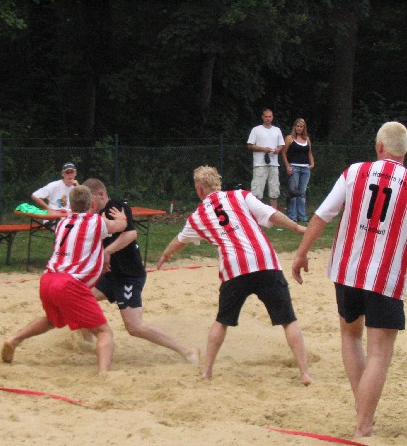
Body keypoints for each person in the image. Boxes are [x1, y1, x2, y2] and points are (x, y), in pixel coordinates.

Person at [292, 121, 407, 439]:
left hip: (347, 271)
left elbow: (322, 215)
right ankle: (364, 423)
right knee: (380, 353)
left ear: (379, 146)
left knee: (351, 336)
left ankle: (363, 412)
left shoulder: (355, 172)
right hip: (385, 276)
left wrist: (301, 253)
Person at [157, 165, 312, 385]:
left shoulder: (198, 216)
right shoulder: (240, 196)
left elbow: (179, 240)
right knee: (288, 320)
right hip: (264, 261)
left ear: (199, 190)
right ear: (218, 183)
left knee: (222, 321)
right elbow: (271, 214)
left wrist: (165, 254)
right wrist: (296, 228)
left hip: (234, 268)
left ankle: (207, 371)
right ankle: (304, 373)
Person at [0, 185, 127, 373]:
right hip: (70, 284)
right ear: (92, 203)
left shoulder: (62, 222)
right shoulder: (96, 222)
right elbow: (119, 226)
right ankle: (104, 373)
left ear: (70, 204)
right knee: (104, 332)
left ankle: (14, 340)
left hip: (48, 279)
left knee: (52, 321)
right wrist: (122, 218)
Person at [82, 178, 200, 364]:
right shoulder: (94, 214)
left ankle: (187, 351)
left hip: (128, 275)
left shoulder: (117, 207)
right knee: (82, 300)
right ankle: (87, 344)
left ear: (101, 195)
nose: (89, 205)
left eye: (91, 200)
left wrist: (107, 251)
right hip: (110, 275)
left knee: (134, 327)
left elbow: (131, 234)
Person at [247, 108, 285, 209]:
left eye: (270, 116)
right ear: (263, 117)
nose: (268, 118)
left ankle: (274, 213)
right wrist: (263, 149)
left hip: (274, 164)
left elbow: (282, 145)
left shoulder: (277, 130)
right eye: (266, 116)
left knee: (274, 191)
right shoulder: (256, 130)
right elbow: (250, 145)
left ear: (272, 117)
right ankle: (255, 212)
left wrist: (278, 149)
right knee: (257, 192)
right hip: (260, 164)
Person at [281, 118, 315, 222]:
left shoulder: (307, 139)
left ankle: (302, 216)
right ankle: (292, 216)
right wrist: (288, 166)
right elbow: (284, 153)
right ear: (295, 127)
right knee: (293, 192)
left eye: (301, 127)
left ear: (304, 128)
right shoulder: (290, 138)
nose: (299, 128)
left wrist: (312, 163)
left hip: (305, 168)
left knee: (302, 192)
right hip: (294, 167)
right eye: (298, 126)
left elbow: (309, 153)